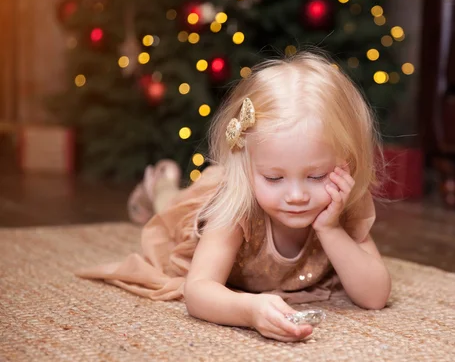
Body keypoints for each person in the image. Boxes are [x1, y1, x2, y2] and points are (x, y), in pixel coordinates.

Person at [76, 51, 392, 342]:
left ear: (347, 163)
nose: (296, 196)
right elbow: (197, 291)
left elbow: (375, 296)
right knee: (172, 209)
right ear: (247, 164)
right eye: (274, 177)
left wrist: (330, 228)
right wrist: (248, 310)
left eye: (316, 176)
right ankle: (159, 186)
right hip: (210, 202)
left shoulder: (341, 201)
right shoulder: (235, 208)